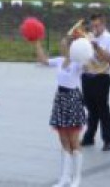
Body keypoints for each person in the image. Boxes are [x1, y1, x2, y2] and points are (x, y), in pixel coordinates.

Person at [34, 36, 86, 187]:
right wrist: (37, 43)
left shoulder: (78, 63)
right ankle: (64, 177)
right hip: (61, 100)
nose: (61, 46)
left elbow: (89, 67)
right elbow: (44, 60)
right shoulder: (59, 60)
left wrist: (88, 54)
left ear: (71, 47)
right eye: (61, 44)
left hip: (73, 99)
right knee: (63, 139)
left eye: (64, 44)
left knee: (74, 139)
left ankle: (76, 177)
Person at [80, 14, 110, 151]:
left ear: (103, 24)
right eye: (93, 25)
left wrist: (97, 47)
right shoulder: (87, 37)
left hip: (101, 76)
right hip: (86, 75)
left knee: (103, 109)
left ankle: (108, 139)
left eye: (97, 25)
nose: (94, 28)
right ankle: (89, 137)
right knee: (91, 108)